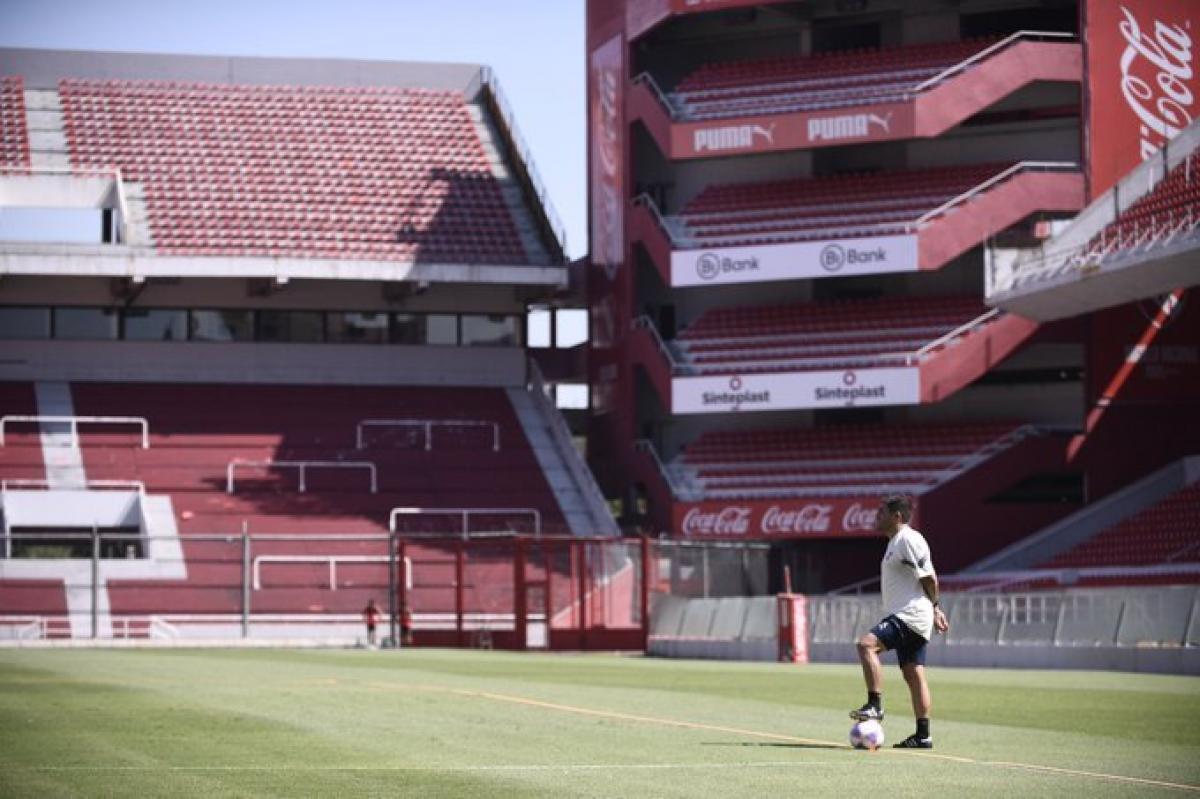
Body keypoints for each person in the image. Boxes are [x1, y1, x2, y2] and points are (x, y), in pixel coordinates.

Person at [850, 495, 949, 749]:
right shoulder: (896, 542)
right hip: (914, 614)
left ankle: (875, 705)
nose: (876, 517)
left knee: (866, 645)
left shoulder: (908, 539)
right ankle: (923, 735)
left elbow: (928, 578)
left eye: (881, 512)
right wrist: (935, 609)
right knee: (913, 674)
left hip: (910, 615)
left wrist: (934, 606)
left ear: (897, 516)